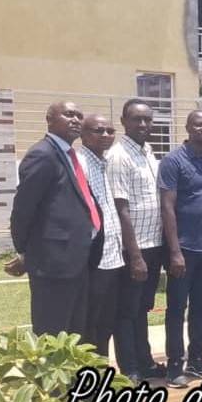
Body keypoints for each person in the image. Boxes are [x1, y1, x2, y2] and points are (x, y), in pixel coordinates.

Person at [10, 101, 101, 337]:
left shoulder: (70, 155)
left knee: (74, 332)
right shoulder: (43, 154)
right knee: (52, 332)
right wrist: (25, 252)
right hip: (52, 263)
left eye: (79, 115)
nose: (76, 120)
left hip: (77, 259)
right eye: (69, 114)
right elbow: (23, 208)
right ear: (50, 120)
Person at [158, 110, 202, 387]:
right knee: (176, 308)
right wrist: (174, 251)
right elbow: (167, 206)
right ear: (187, 127)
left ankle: (197, 358)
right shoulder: (173, 161)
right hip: (183, 248)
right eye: (198, 125)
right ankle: (175, 364)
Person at [107, 100, 165, 383]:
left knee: (142, 308)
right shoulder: (119, 156)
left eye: (147, 120)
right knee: (127, 311)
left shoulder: (148, 152)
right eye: (136, 119)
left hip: (153, 244)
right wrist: (136, 255)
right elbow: (122, 208)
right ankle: (129, 368)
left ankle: (146, 362)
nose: (143, 124)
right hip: (135, 248)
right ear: (123, 121)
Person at [79, 114, 124, 356]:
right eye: (98, 130)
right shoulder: (80, 164)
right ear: (83, 135)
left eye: (110, 131)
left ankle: (101, 366)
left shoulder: (103, 162)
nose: (106, 135)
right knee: (91, 321)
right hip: (94, 259)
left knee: (107, 320)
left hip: (113, 256)